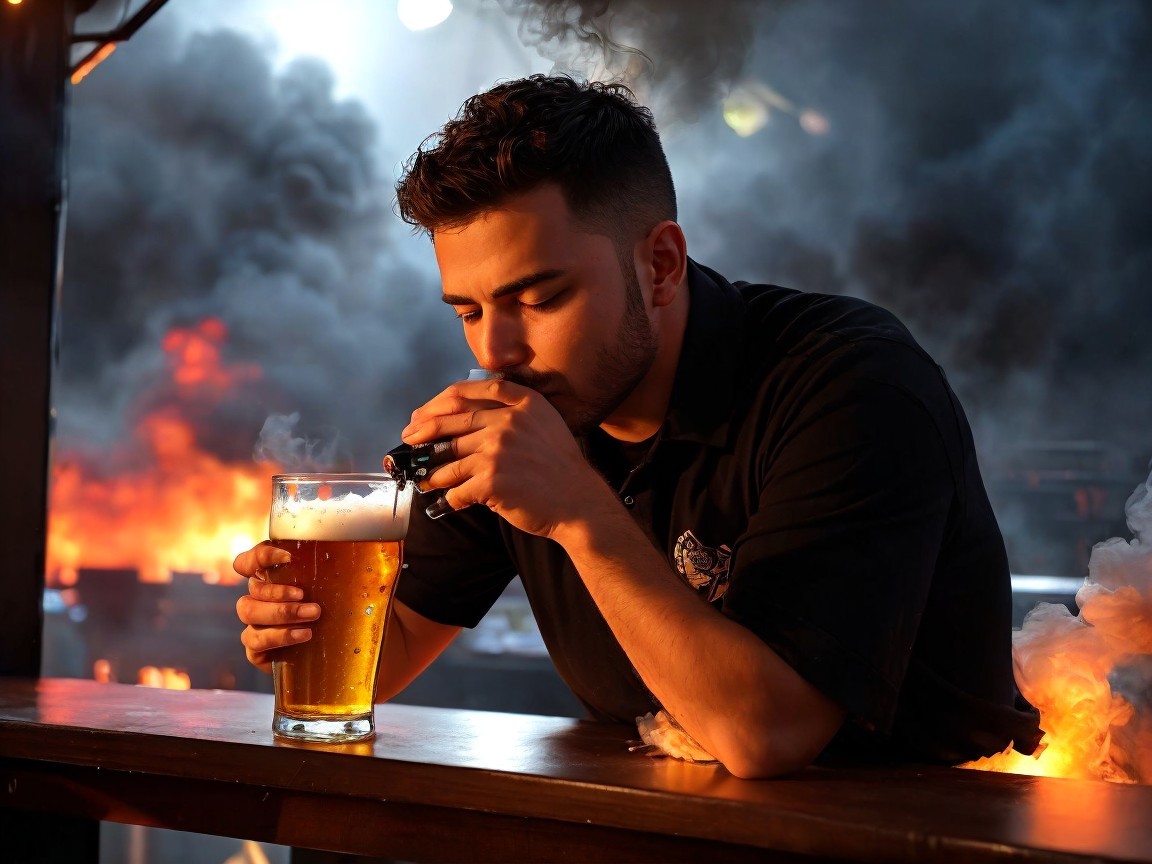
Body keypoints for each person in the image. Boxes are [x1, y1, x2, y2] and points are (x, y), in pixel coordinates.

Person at [235, 74, 1041, 779]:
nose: (495, 350)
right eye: (469, 310)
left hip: (927, 836)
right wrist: (307, 624)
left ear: (659, 265)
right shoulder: (532, 403)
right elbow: (394, 645)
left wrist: (581, 514)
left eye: (540, 298)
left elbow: (768, 734)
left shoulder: (852, 384)